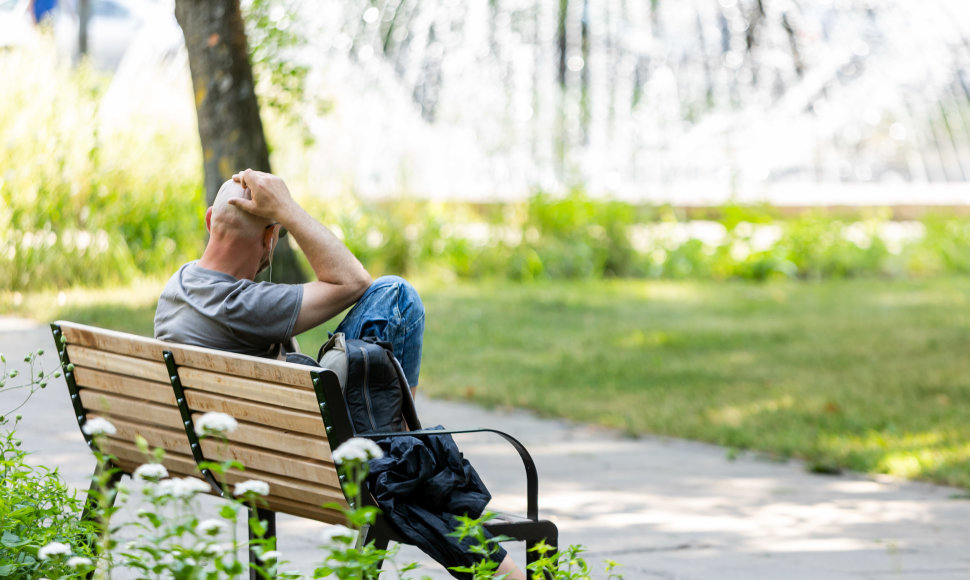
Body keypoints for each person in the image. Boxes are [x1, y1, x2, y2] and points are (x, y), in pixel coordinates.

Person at [153, 169, 526, 580]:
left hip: (236, 452)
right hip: (305, 463)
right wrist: (289, 210)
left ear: (209, 220)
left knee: (357, 370)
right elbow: (354, 281)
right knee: (395, 294)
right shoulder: (246, 306)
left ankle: (401, 454)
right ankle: (404, 458)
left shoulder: (179, 286)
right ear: (270, 237)